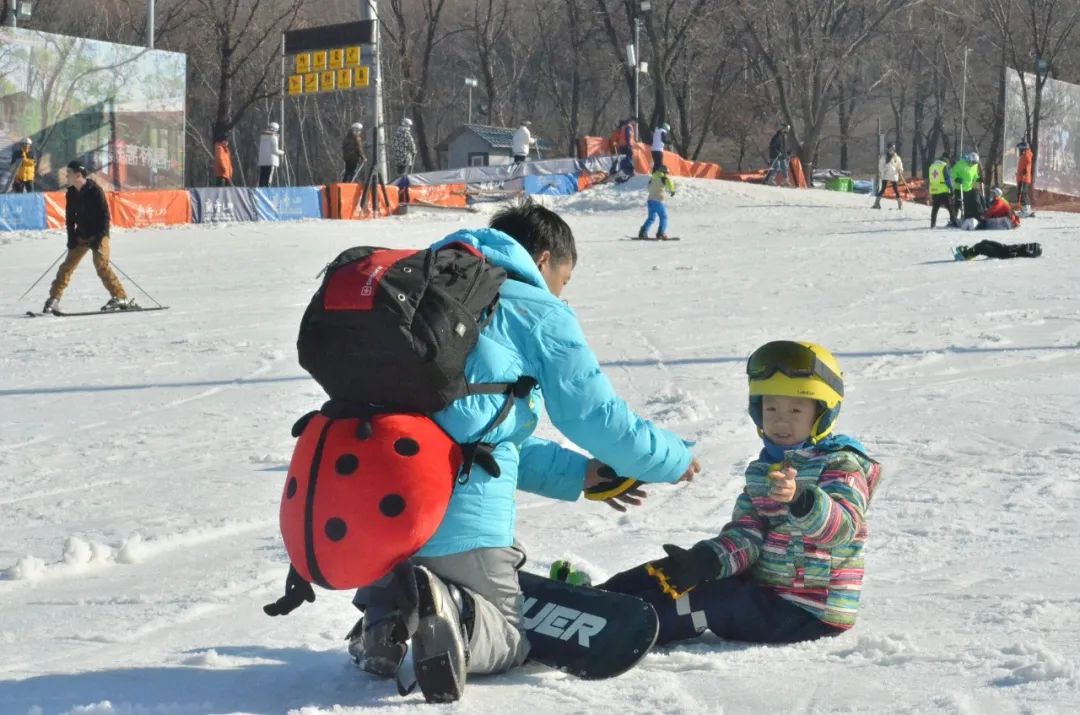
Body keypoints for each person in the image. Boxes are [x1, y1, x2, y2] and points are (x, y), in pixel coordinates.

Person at [347, 202, 700, 703]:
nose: (561, 291)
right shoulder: (532, 307)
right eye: (564, 277)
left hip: (369, 494)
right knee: (509, 638)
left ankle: (382, 619)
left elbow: (483, 433)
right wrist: (672, 459)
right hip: (454, 511)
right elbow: (597, 419)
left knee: (411, 575)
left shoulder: (423, 295)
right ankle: (457, 612)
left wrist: (580, 476)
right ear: (545, 256)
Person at [594, 340, 881, 646]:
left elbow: (844, 528)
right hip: (765, 591)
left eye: (796, 409)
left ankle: (616, 632)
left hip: (809, 611)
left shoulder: (842, 464)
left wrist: (802, 498)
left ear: (822, 413)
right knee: (674, 573)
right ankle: (593, 602)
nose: (781, 420)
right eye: (771, 408)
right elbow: (747, 536)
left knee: (714, 599)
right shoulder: (763, 470)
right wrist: (705, 561)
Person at [43, 161, 135, 314]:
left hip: (98, 234)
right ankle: (54, 299)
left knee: (101, 265)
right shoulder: (71, 193)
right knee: (67, 267)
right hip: (82, 235)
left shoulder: (95, 191)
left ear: (78, 175)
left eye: (69, 173)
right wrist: (71, 238)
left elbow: (105, 216)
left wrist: (99, 237)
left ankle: (121, 297)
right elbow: (70, 219)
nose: (66, 176)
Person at [637, 164, 676, 240]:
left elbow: (648, 188)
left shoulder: (652, 179)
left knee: (651, 218)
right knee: (663, 217)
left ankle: (643, 232)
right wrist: (672, 191)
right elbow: (670, 182)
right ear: (664, 171)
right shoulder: (664, 178)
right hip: (659, 201)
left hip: (650, 201)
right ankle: (661, 233)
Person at [927, 151, 959, 228]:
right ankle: (954, 222)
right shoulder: (945, 166)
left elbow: (930, 179)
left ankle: (932, 224)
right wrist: (951, 189)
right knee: (951, 208)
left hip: (934, 190)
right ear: (947, 158)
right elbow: (948, 179)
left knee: (935, 208)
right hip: (943, 190)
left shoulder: (932, 166)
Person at [872, 143, 904, 209]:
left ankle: (899, 204)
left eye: (893, 149)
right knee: (883, 188)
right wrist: (882, 171)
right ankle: (877, 203)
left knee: (896, 189)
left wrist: (900, 170)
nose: (891, 151)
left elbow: (900, 165)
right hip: (886, 175)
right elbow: (880, 165)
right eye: (890, 149)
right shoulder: (884, 157)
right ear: (888, 149)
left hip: (893, 175)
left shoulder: (897, 158)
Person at [952, 151, 983, 220]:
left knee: (967, 204)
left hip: (968, 188)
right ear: (969, 160)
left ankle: (966, 217)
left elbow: (974, 175)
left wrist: (978, 179)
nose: (973, 164)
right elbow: (953, 172)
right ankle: (953, 219)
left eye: (975, 163)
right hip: (959, 188)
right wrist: (956, 178)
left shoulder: (974, 166)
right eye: (972, 162)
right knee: (957, 204)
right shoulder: (960, 164)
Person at [954, 240, 1041, 261]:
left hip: (1001, 254)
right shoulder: (1023, 247)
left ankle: (965, 256)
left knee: (981, 248)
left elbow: (1010, 254)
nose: (1029, 245)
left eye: (1031, 247)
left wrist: (1012, 252)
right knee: (984, 242)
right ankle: (970, 252)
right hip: (1003, 248)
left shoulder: (1023, 253)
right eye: (1031, 244)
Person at [258, 121, 285, 187]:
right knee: (268, 177)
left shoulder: (262, 137)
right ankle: (267, 190)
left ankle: (261, 189)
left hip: (263, 160)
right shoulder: (273, 137)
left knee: (262, 176)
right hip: (271, 161)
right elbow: (274, 150)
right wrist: (282, 152)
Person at [1015, 140, 1034, 215]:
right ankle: (1026, 209)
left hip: (1024, 178)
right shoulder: (1024, 154)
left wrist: (1025, 170)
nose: (1019, 150)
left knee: (1023, 193)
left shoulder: (1027, 154)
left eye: (1020, 148)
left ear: (1023, 148)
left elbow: (1028, 162)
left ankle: (1025, 210)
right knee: (1022, 193)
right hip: (1021, 177)